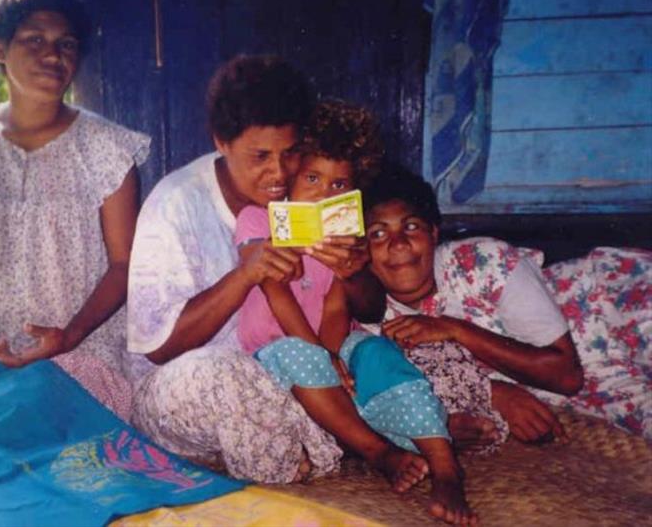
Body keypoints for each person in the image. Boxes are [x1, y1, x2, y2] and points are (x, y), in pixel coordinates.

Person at [126, 55, 430, 489]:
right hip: (193, 387)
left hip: (292, 365)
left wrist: (353, 270)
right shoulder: (175, 203)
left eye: (290, 155)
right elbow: (158, 348)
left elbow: (369, 307)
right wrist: (244, 275)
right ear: (221, 142)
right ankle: (332, 445)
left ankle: (357, 434)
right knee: (224, 374)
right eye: (260, 156)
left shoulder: (311, 192)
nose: (278, 173)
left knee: (371, 350)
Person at [0, 0, 148, 419]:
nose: (52, 55)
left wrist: (70, 335)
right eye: (34, 40)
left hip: (78, 350)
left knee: (53, 446)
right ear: (1, 49)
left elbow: (123, 264)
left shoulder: (107, 149)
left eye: (66, 44)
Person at [235, 100, 477, 525]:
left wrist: (337, 356)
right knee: (298, 354)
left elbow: (335, 304)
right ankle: (378, 452)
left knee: (378, 353)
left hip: (329, 340)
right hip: (274, 351)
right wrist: (320, 355)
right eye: (312, 178)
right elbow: (277, 292)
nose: (324, 193)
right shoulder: (258, 221)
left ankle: (445, 468)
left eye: (338, 185)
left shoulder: (344, 235)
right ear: (290, 176)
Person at [363, 170, 651, 440]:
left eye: (411, 226)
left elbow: (566, 375)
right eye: (378, 233)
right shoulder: (374, 323)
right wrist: (490, 393)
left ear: (434, 234)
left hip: (614, 305)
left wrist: (455, 330)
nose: (398, 244)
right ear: (360, 248)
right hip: (603, 388)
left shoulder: (478, 260)